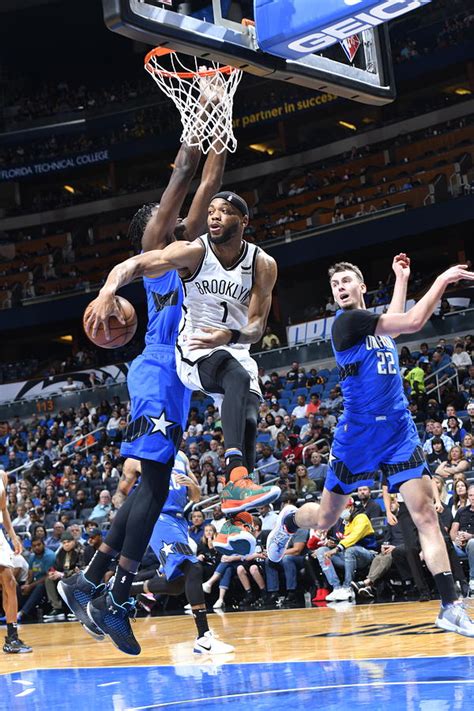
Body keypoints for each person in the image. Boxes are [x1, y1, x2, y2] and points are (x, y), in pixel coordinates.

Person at [58, 114, 231, 655]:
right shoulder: (157, 249)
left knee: (152, 485)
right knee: (153, 484)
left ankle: (92, 581)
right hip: (157, 365)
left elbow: (207, 183)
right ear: (153, 230)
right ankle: (113, 591)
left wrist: (223, 120)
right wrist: (198, 115)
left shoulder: (189, 255)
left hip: (173, 375)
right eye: (167, 218)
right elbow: (184, 173)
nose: (180, 219)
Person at [268, 254, 474, 636]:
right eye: (335, 285)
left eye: (347, 281)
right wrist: (443, 278)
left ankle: (451, 606)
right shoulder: (347, 323)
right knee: (328, 519)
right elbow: (412, 322)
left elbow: (393, 329)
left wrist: (400, 278)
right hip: (358, 436)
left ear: (362, 287)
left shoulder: (374, 328)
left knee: (425, 514)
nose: (340, 288)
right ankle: (290, 520)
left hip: (398, 432)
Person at [84, 190, 281, 551]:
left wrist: (233, 333)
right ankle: (236, 478)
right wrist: (109, 288)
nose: (215, 216)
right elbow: (136, 264)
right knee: (234, 378)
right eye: (211, 211)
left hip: (234, 345)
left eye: (224, 211)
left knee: (251, 414)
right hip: (192, 346)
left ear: (244, 221)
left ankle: (233, 524)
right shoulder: (193, 251)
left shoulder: (262, 263)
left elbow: (256, 327)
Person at [124, 456, 233, 654]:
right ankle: (203, 638)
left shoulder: (181, 457)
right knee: (193, 567)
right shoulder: (147, 451)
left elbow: (196, 497)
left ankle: (124, 589)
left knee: (178, 584)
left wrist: (192, 484)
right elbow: (123, 490)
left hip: (179, 521)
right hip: (159, 517)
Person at [0, 472, 31, 653]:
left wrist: (12, 536)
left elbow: (3, 509)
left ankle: (12, 637)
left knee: (9, 582)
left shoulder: (2, 476)